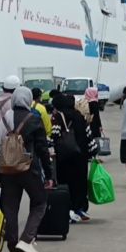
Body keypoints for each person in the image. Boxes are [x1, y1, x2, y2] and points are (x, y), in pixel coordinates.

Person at [0, 87, 52, 252]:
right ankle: (26, 239)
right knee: (40, 202)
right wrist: (49, 174)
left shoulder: (2, 121)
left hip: (6, 170)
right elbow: (42, 149)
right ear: (29, 99)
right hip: (28, 169)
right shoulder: (34, 119)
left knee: (10, 209)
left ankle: (13, 251)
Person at [50, 94, 98, 222]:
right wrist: (92, 152)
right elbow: (89, 135)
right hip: (80, 156)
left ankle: (68, 209)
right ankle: (79, 208)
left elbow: (54, 134)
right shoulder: (80, 116)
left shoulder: (58, 117)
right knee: (80, 182)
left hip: (64, 157)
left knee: (65, 183)